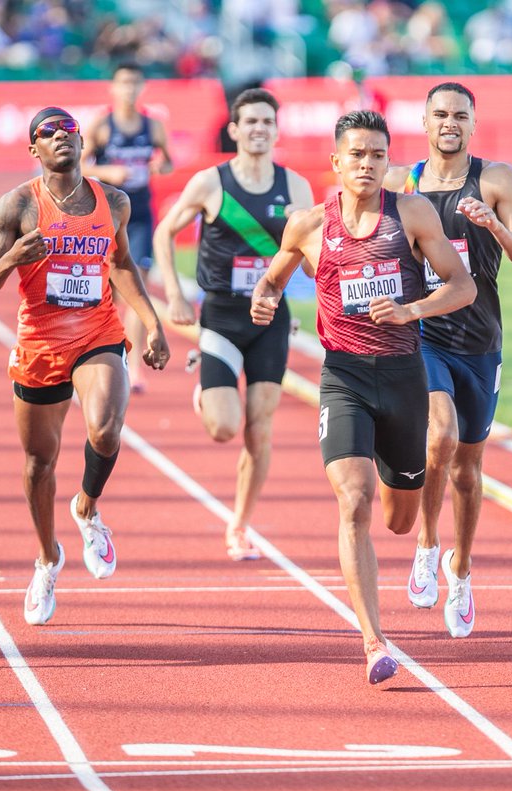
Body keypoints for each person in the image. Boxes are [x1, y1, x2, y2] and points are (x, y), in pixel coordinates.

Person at [251, 110, 476, 685]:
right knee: (354, 502)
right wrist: (265, 298)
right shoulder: (307, 226)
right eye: (357, 155)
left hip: (403, 376)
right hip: (345, 377)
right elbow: (275, 276)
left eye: (378, 155)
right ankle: (374, 641)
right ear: (337, 162)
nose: (368, 165)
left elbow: (461, 284)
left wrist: (411, 310)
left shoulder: (412, 213)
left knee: (399, 517)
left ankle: (423, 537)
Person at [0, 106, 171, 625]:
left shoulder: (115, 201)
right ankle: (46, 559)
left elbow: (122, 263)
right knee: (40, 464)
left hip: (97, 331)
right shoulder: (17, 205)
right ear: (34, 149)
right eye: (48, 132)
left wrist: (151, 324)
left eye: (69, 130)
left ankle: (86, 507)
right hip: (39, 340)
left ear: (83, 142)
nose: (61, 137)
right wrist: (15, 256)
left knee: (105, 431)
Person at [383, 81, 512, 639]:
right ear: (424, 124)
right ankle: (427, 544)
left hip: (480, 341)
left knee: (468, 472)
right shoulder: (403, 184)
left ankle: (461, 569)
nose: (450, 123)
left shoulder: (496, 180)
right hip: (422, 334)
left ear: (474, 124)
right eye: (440, 114)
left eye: (460, 115)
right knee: (438, 437)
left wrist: (492, 224)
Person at [153, 88, 314, 561]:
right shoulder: (211, 183)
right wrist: (176, 296)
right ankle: (207, 385)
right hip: (221, 317)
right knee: (224, 429)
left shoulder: (296, 187)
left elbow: (311, 256)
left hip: (271, 318)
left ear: (276, 129)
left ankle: (240, 524)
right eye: (250, 122)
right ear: (234, 129)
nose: (259, 129)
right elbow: (165, 232)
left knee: (259, 430)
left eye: (267, 121)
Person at [82, 62, 174, 392]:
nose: (129, 90)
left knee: (139, 291)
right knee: (107, 291)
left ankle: (135, 368)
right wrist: (109, 174)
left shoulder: (154, 126)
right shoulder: (103, 126)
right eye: (123, 84)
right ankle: (97, 355)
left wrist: (162, 164)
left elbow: (168, 161)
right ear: (113, 88)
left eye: (135, 84)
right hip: (107, 216)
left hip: (140, 215)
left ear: (142, 87)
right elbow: (80, 164)